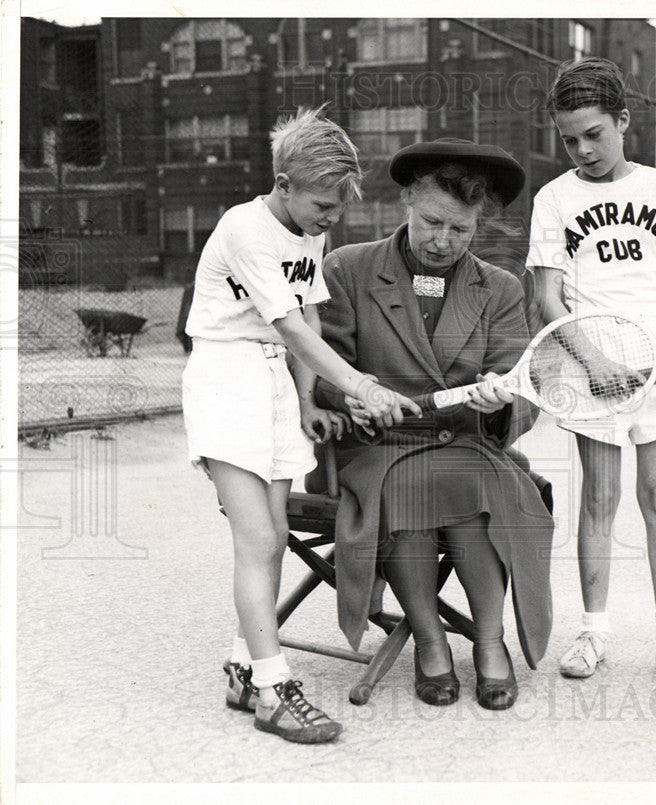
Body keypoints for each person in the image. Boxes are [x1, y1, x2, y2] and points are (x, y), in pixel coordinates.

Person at [181, 106, 420, 743]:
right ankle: (272, 690)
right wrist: (362, 385)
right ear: (283, 184)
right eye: (322, 206)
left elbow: (309, 319)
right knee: (257, 539)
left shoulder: (308, 232)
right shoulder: (245, 229)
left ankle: (242, 666)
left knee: (277, 531)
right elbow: (285, 325)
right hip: (225, 380)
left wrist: (312, 398)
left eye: (339, 211)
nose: (330, 221)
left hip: (275, 386)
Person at [305, 139, 554, 711]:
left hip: (466, 444)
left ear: (479, 225)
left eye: (461, 230)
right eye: (432, 223)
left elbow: (523, 390)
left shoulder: (501, 288)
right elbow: (321, 371)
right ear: (407, 205)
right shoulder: (347, 269)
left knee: (467, 481)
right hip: (374, 448)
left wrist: (501, 404)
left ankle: (490, 643)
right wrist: (350, 401)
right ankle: (432, 640)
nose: (444, 242)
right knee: (415, 486)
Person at [526, 58, 656, 687]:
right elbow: (548, 300)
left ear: (623, 120)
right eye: (570, 139)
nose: (583, 149)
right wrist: (596, 364)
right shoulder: (553, 199)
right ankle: (593, 633)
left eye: (595, 133)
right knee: (599, 499)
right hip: (592, 373)